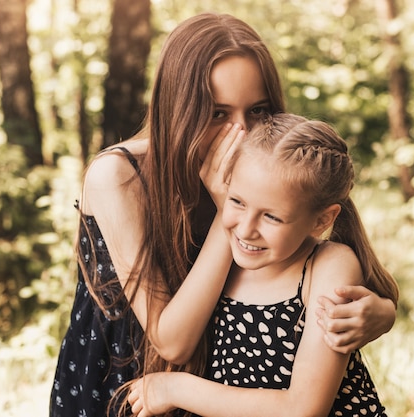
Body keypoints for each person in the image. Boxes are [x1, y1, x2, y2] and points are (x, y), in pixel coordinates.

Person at [50, 13, 396, 417]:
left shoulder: (267, 180)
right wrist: (222, 207)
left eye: (258, 112)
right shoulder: (119, 176)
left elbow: (328, 264)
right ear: (178, 108)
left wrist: (381, 314)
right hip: (124, 386)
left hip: (220, 396)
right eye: (218, 114)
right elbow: (173, 342)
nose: (242, 134)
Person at [127, 113, 399, 417]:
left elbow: (304, 409)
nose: (246, 229)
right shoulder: (223, 262)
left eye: (272, 217)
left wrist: (174, 389)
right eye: (237, 202)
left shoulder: (328, 266)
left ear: (322, 220)